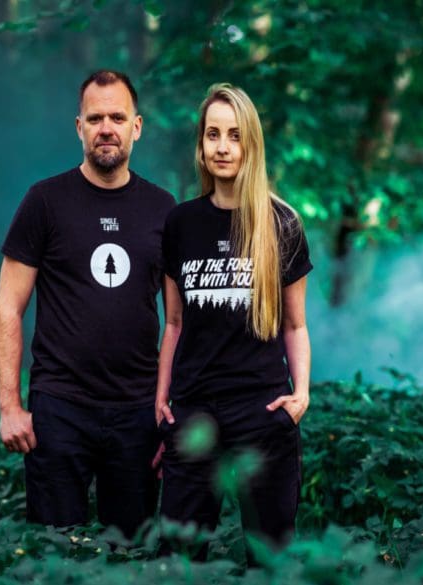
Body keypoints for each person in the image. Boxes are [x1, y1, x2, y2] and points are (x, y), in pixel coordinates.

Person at [0, 70, 175, 539]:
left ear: (137, 126)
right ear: (79, 127)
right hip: (59, 409)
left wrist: (169, 410)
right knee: (54, 550)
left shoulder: (163, 209)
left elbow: (177, 322)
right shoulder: (45, 202)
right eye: (96, 118)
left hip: (137, 412)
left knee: (130, 553)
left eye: (118, 116)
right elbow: (8, 307)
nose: (106, 128)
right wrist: (10, 407)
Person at [156, 83, 313, 560]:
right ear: (201, 146)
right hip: (194, 410)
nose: (223, 146)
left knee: (271, 556)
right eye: (213, 135)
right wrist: (161, 398)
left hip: (262, 411)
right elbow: (175, 323)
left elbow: (294, 326)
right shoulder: (181, 223)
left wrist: (300, 394)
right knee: (178, 558)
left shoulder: (280, 223)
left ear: (251, 144)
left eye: (234, 135)